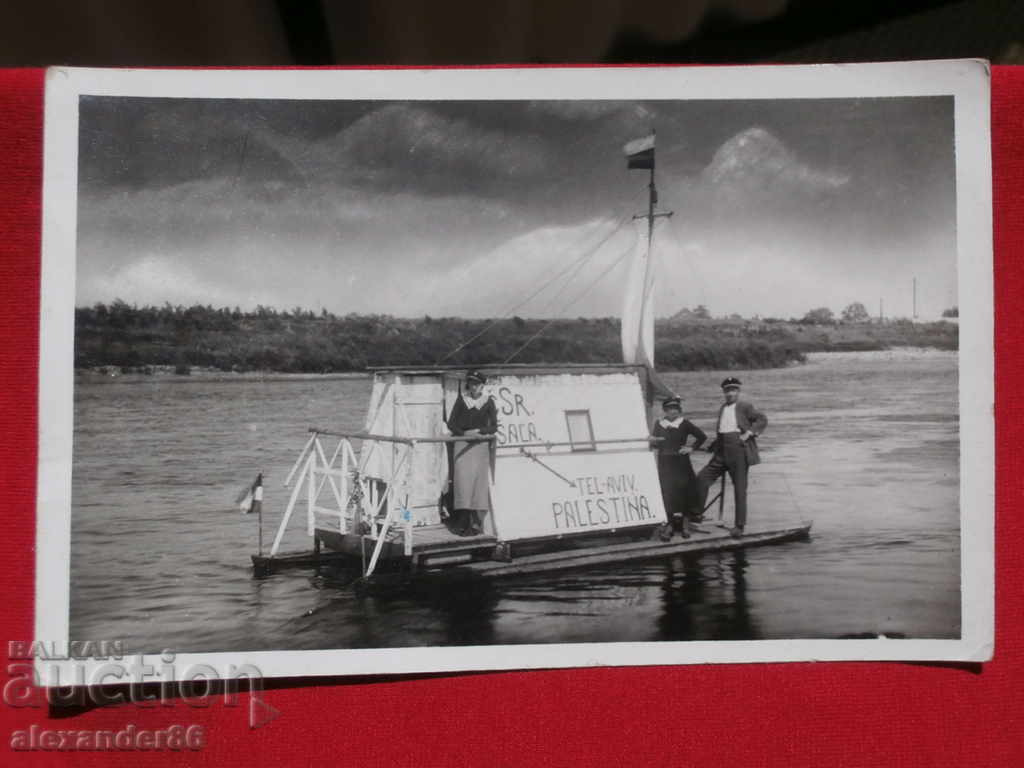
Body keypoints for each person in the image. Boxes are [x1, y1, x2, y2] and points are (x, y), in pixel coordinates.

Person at [696, 377, 767, 538]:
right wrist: (712, 446)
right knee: (702, 478)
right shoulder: (722, 408)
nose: (730, 393)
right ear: (723, 392)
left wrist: (749, 433)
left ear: (738, 391)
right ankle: (696, 513)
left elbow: (762, 419)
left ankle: (739, 526)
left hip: (739, 452)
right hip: (721, 452)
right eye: (727, 390)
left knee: (740, 489)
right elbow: (723, 430)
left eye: (733, 390)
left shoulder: (745, 406)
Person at [445, 370, 498, 536]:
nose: (473, 386)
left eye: (476, 383)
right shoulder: (462, 400)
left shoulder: (488, 402)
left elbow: (494, 426)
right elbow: (451, 423)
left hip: (480, 446)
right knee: (462, 483)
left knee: (478, 484)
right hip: (462, 444)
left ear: (482, 385)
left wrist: (480, 431)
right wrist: (464, 434)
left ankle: (475, 524)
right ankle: (462, 522)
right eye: (471, 383)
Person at [651, 397, 707, 542]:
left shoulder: (684, 423)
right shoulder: (659, 424)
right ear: (665, 410)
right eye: (670, 409)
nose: (673, 411)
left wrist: (691, 448)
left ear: (679, 410)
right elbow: (656, 444)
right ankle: (669, 525)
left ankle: (685, 524)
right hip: (664, 463)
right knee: (668, 492)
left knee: (685, 491)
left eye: (676, 409)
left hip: (681, 463)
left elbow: (702, 436)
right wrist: (652, 442)